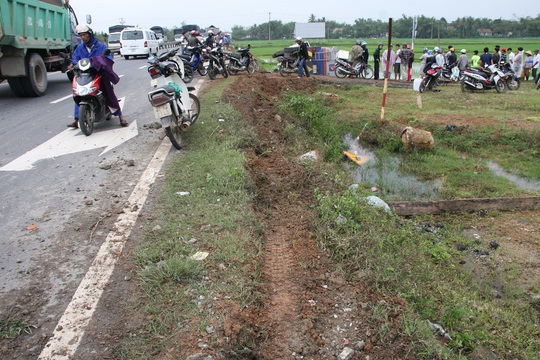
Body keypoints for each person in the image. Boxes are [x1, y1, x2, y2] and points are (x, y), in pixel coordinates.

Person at [68, 24, 127, 128]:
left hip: (99, 74)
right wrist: (73, 64)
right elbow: (75, 59)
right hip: (85, 75)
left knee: (108, 92)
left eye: (85, 35)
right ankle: (77, 119)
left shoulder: (101, 46)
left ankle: (120, 117)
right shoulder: (80, 48)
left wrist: (102, 61)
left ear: (90, 34)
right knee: (79, 93)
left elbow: (108, 57)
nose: (83, 37)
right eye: (81, 35)